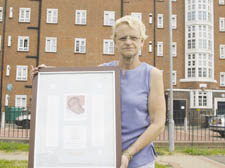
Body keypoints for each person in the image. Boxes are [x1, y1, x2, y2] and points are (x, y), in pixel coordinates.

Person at [32, 15, 166, 168]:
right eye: (122, 38)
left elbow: (158, 124)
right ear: (115, 42)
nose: (128, 42)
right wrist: (47, 75)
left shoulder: (152, 74)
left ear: (142, 42)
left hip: (139, 160)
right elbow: (73, 85)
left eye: (134, 38)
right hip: (103, 157)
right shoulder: (104, 72)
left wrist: (129, 154)